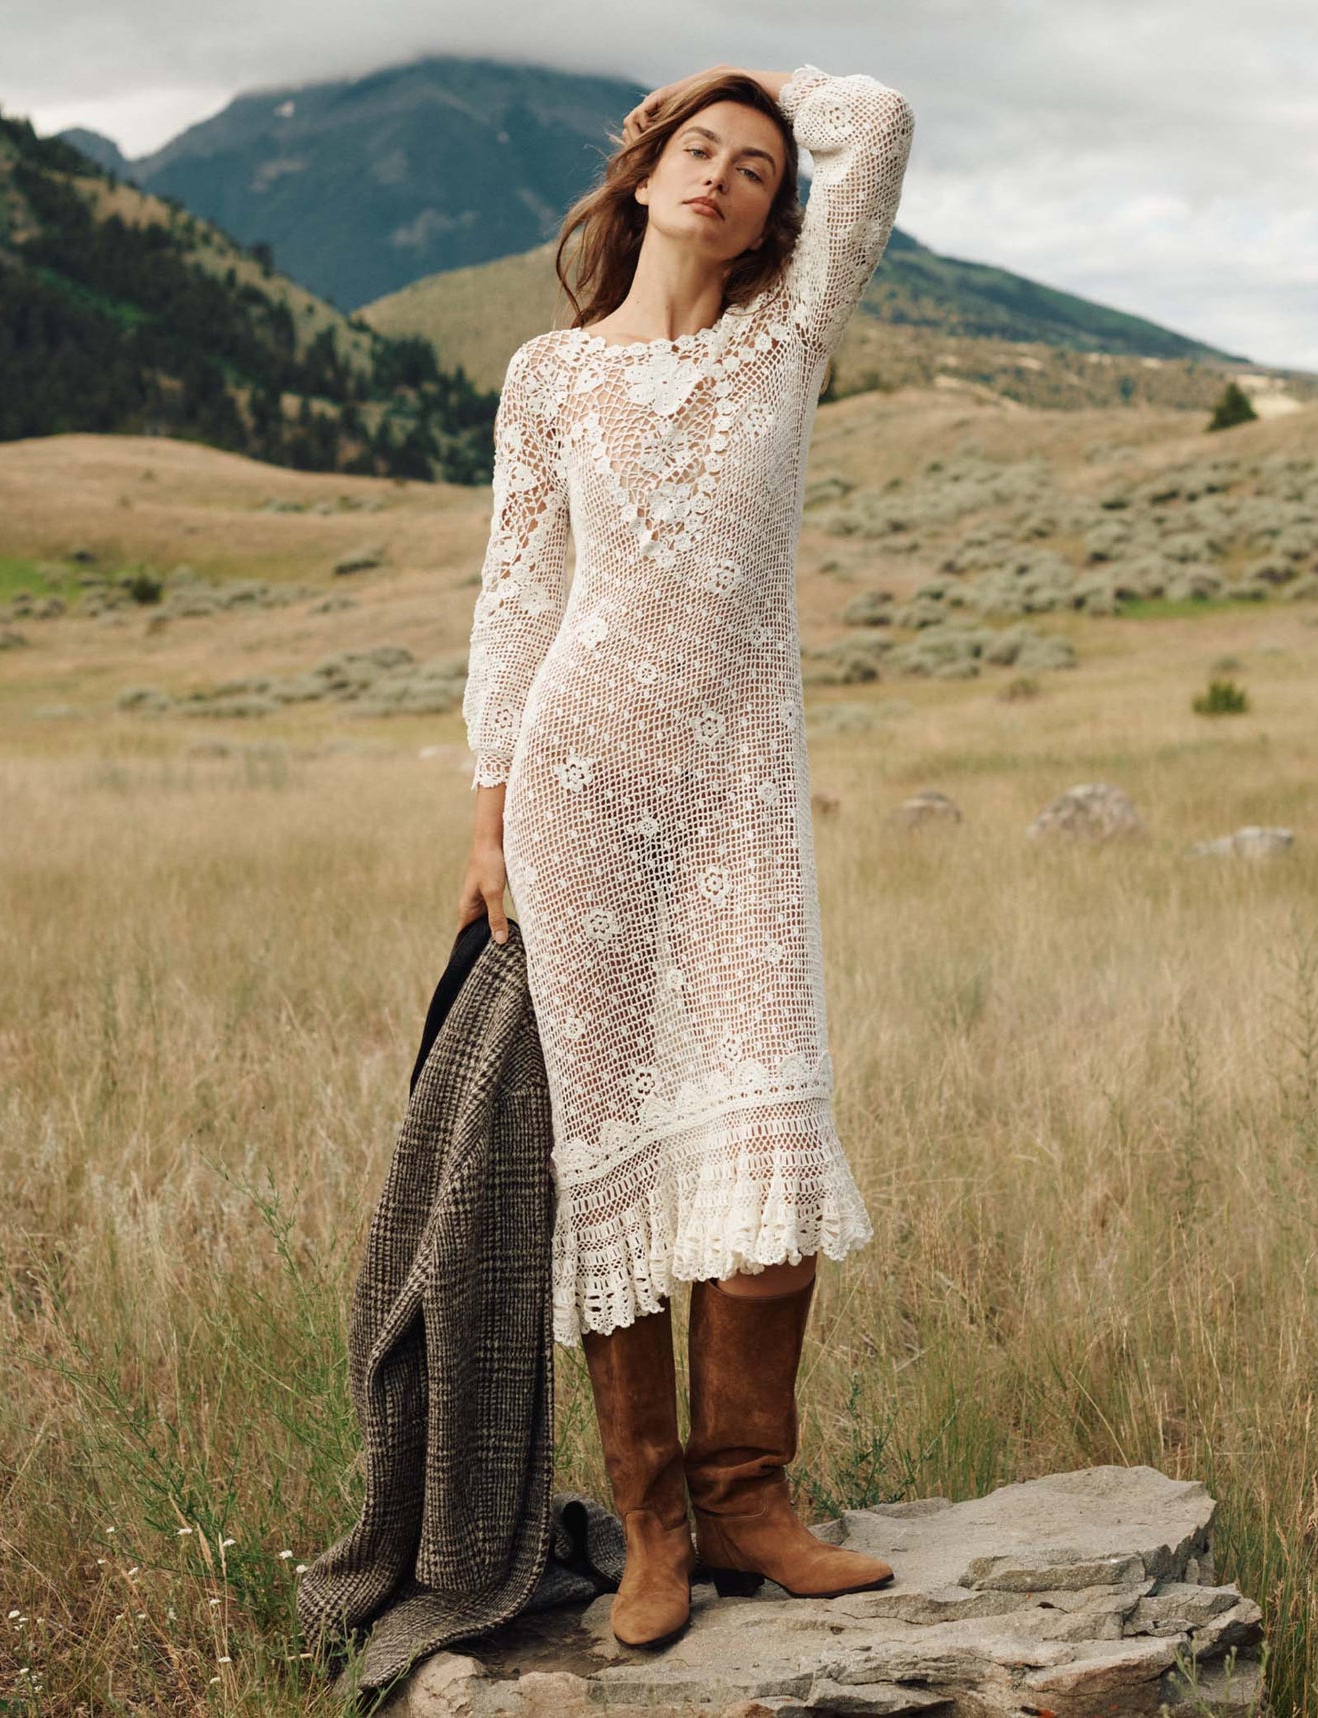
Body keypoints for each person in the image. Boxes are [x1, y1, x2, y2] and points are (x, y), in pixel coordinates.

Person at [455, 61, 915, 1649]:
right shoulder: (548, 378)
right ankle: (653, 1521)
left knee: (768, 1123)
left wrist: (757, 84)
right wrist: (489, 810)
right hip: (579, 789)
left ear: (775, 211)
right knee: (616, 1157)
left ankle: (749, 1498)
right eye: (694, 149)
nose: (722, 174)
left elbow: (885, 121)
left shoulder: (783, 341)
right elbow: (516, 605)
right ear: (644, 175)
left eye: (755, 166)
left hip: (737, 804)